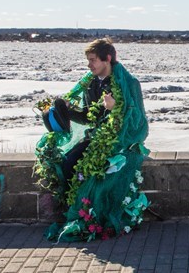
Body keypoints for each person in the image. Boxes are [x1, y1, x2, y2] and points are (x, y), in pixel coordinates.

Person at [34, 38, 150, 242]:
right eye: (88, 60)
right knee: (68, 161)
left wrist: (116, 109)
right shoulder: (90, 83)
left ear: (107, 58)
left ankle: (96, 216)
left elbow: (138, 121)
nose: (89, 65)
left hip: (118, 140)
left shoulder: (128, 83)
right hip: (96, 137)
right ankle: (79, 211)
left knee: (92, 169)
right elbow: (91, 117)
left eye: (93, 60)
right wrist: (69, 111)